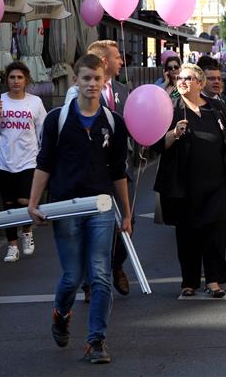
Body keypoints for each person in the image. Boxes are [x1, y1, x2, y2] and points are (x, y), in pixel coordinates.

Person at [27, 53, 131, 364]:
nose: (91, 84)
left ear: (104, 81)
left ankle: (96, 341)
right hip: (66, 206)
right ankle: (61, 311)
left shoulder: (114, 123)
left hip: (100, 207)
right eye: (86, 78)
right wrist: (33, 203)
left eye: (97, 79)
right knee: (72, 276)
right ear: (76, 80)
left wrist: (125, 214)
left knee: (100, 275)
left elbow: (118, 172)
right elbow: (44, 164)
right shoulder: (58, 119)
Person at [153, 64, 226, 299]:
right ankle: (189, 281)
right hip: (183, 186)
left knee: (216, 234)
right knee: (187, 236)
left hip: (218, 184)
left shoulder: (218, 108)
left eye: (188, 78)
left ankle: (213, 280)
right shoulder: (170, 110)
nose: (182, 81)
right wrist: (174, 134)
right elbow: (155, 146)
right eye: (179, 78)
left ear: (200, 83)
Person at [63, 40, 132, 297]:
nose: (121, 62)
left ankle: (115, 265)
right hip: (89, 174)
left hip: (120, 168)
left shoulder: (124, 90)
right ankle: (92, 280)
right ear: (105, 61)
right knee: (90, 226)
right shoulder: (77, 94)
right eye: (117, 57)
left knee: (127, 220)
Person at [0, 61, 47, 262]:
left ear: (26, 80)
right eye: (12, 77)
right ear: (6, 80)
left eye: (19, 77)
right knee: (8, 205)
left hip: (28, 160)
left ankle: (26, 231)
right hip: (2, 159)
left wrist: (43, 155)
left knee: (26, 201)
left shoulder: (35, 102)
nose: (15, 81)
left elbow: (42, 130)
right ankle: (12, 246)